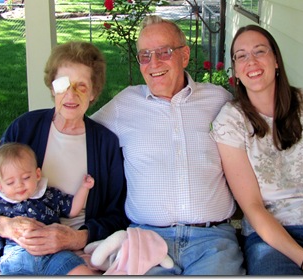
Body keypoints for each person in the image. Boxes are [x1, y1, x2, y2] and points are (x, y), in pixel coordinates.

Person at [91, 15, 245, 275]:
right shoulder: (124, 105)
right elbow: (78, 134)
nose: (154, 63)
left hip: (212, 241)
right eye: (145, 55)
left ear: (184, 56)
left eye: (164, 52)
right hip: (146, 242)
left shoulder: (219, 100)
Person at [210, 24, 303, 275]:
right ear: (235, 69)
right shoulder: (231, 120)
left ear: (276, 60)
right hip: (272, 239)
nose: (252, 61)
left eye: (260, 51)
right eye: (242, 56)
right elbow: (253, 206)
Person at [0, 41, 129, 275]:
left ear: (94, 92)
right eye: (63, 85)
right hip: (14, 249)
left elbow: (118, 215)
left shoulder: (105, 143)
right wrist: (9, 227)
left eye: (81, 87)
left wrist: (76, 238)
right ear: (52, 87)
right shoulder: (24, 129)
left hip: (75, 255)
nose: (70, 94)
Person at [0, 142, 95, 275]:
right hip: (18, 257)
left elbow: (72, 210)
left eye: (25, 177)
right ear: (0, 186)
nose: (19, 185)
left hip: (55, 254)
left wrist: (84, 188)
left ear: (37, 174)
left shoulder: (48, 194)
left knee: (81, 272)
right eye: (10, 182)